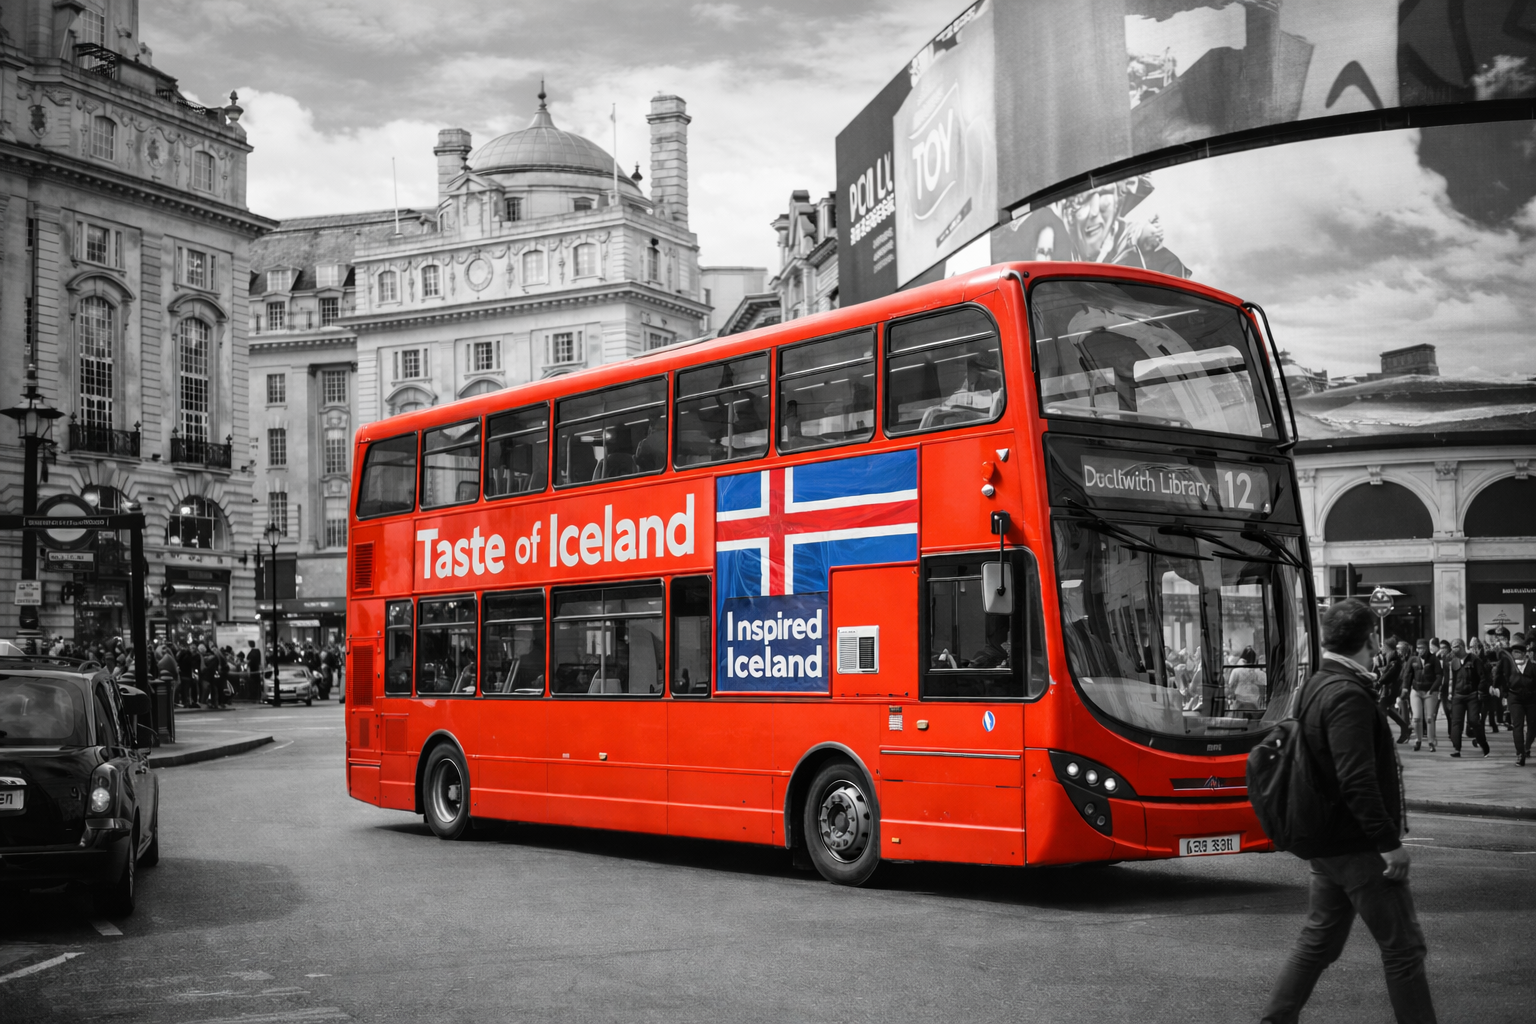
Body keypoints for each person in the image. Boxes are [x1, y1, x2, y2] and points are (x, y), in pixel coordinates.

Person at [1260, 599, 1436, 1024]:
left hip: (1326, 838)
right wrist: (1387, 843)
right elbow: (1356, 778)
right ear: (1370, 639)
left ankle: (1275, 1020)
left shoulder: (1318, 682)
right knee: (1403, 948)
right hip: (1356, 844)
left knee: (1319, 939)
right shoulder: (1346, 694)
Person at [1445, 639, 1490, 758]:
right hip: (1458, 696)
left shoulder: (1474, 660)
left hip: (1472, 695)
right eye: (1452, 647)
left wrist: (1480, 691)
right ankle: (1457, 749)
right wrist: (1450, 694)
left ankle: (1483, 744)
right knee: (1456, 722)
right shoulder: (1453, 661)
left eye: (1455, 647)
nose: (1453, 649)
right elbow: (1450, 679)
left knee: (1474, 721)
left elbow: (1482, 677)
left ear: (1462, 647)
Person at [1375, 636, 1413, 744]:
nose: (1382, 648)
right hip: (1390, 688)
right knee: (1387, 710)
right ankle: (1405, 729)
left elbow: (1389, 674)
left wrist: (1379, 682)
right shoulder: (1392, 657)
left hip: (1390, 689)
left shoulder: (1393, 659)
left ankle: (1385, 735)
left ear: (1388, 648)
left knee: (1383, 710)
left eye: (1383, 646)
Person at [1408, 639, 1441, 752]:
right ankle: (1418, 740)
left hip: (1429, 692)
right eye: (1418, 648)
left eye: (1422, 648)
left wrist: (1432, 690)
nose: (1420, 650)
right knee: (1416, 718)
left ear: (1427, 648)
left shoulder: (1434, 659)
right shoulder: (1413, 659)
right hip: (1416, 691)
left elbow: (1439, 676)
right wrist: (1404, 689)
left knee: (1429, 718)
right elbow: (1407, 675)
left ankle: (1431, 742)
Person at [1507, 639, 1536, 767]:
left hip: (1532, 699)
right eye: (1514, 652)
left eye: (1518, 652)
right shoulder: (1510, 667)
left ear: (1525, 654)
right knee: (1517, 726)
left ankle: (1527, 747)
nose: (1515, 654)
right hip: (1515, 699)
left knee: (1532, 726)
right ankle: (1520, 754)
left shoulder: (1533, 667)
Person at [1227, 646, 1266, 711]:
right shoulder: (1259, 672)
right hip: (1255, 702)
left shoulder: (1236, 671)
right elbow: (1263, 686)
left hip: (1239, 702)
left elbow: (1230, 686)